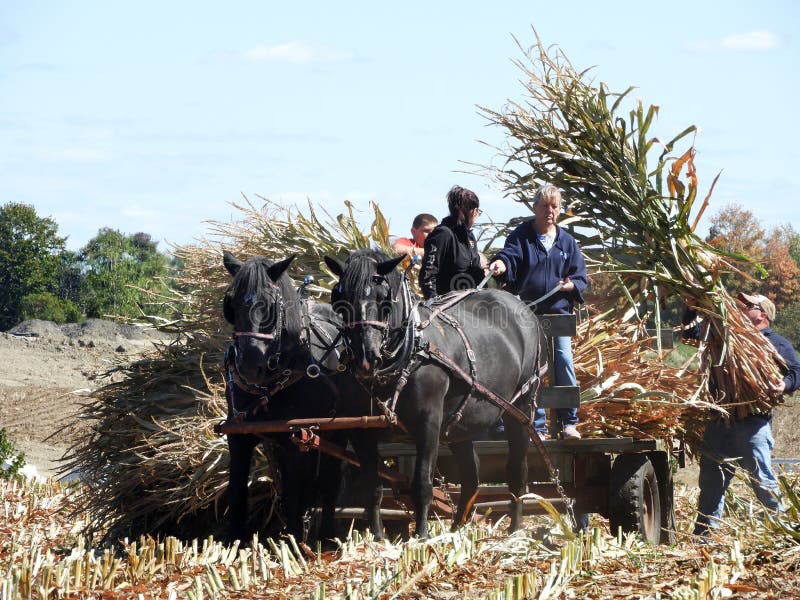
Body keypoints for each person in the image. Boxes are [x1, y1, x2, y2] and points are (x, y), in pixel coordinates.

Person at [684, 292, 800, 536]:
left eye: (747, 305)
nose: (740, 307)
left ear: (763, 314)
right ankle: (704, 537)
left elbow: (796, 372)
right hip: (720, 420)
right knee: (711, 484)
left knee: (762, 483)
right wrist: (692, 309)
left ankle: (783, 531)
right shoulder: (725, 334)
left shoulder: (776, 342)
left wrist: (784, 384)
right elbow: (690, 333)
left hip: (753, 425)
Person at [489, 184, 588, 440]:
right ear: (534, 208)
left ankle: (569, 423)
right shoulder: (521, 235)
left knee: (564, 362)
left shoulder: (567, 241)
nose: (550, 211)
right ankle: (538, 425)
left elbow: (580, 276)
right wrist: (500, 264)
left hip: (558, 316)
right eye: (545, 206)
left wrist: (571, 285)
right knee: (534, 370)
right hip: (527, 316)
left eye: (554, 206)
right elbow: (509, 256)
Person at [419, 186, 485, 299]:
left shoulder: (470, 237)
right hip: (445, 309)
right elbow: (428, 274)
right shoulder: (443, 234)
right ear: (474, 212)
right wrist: (434, 304)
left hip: (471, 307)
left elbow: (477, 272)